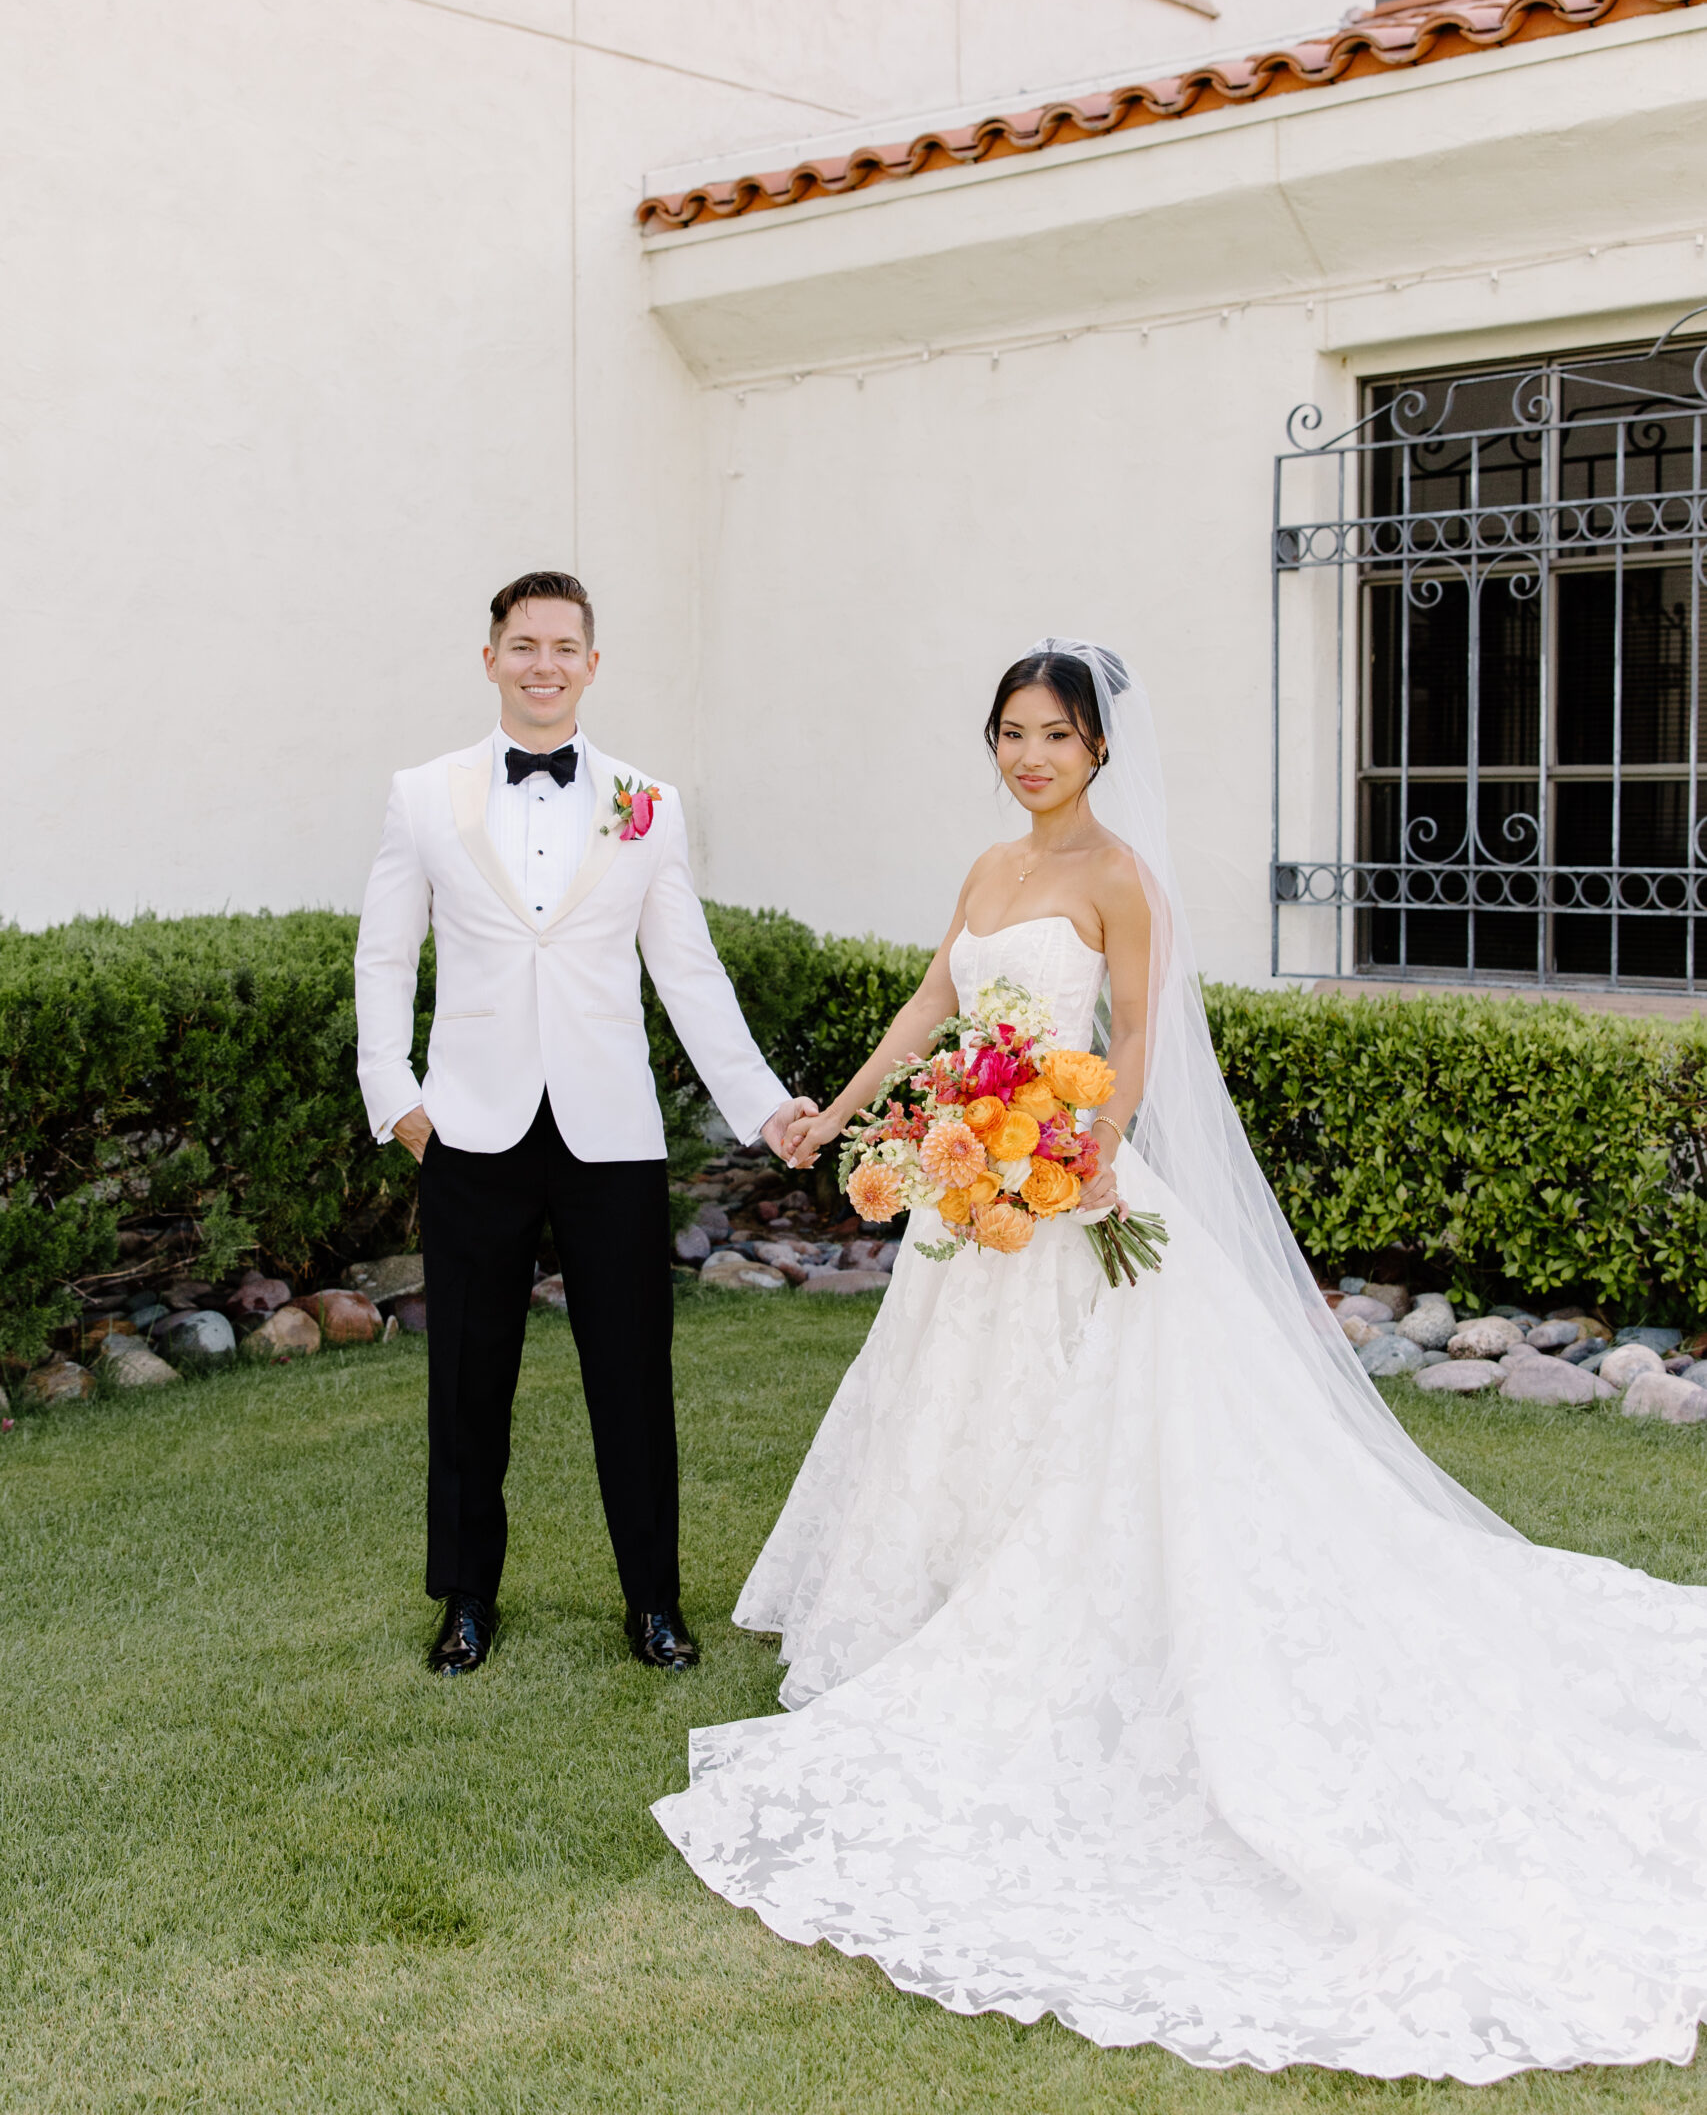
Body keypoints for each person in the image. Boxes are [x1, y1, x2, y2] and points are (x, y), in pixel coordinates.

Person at [652, 638, 1707, 2084]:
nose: (1028, 755)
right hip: (971, 1205)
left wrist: (1083, 1150)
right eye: (1010, 732)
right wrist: (833, 1115)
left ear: (1095, 749)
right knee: (942, 1410)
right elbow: (929, 1009)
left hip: (1067, 1192)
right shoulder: (982, 870)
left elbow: (1134, 1032)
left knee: (1095, 1441)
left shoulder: (1116, 877)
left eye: (1052, 734)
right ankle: (940, 1608)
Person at [354, 569, 813, 1679]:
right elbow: (382, 954)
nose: (543, 664)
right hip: (469, 1130)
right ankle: (466, 1599)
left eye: (564, 646)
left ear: (592, 664)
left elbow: (688, 974)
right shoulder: (423, 795)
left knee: (632, 1376)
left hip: (611, 1134)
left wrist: (765, 1105)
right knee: (466, 1375)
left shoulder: (647, 801)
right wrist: (400, 1101)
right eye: (523, 645)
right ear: (492, 658)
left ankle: (652, 1602)